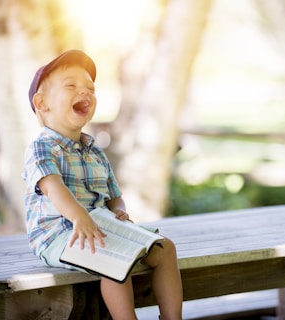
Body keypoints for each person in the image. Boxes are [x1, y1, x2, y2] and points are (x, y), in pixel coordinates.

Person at [23, 50, 183, 320]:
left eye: (90, 88)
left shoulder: (93, 148)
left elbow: (113, 194)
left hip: (99, 224)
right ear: (42, 103)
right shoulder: (42, 146)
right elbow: (53, 187)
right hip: (59, 235)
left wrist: (118, 210)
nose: (84, 92)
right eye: (71, 85)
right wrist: (79, 217)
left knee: (165, 248)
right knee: (114, 260)